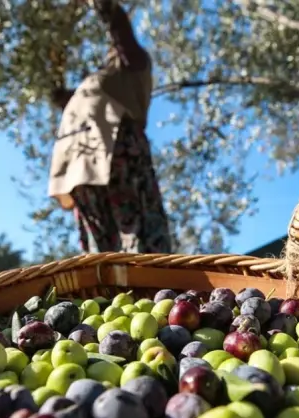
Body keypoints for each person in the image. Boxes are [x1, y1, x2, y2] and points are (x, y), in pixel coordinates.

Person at [48, 0, 172, 254]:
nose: (110, 53)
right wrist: (54, 47)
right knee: (99, 246)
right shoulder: (91, 84)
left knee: (137, 232)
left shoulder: (133, 65)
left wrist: (101, 5)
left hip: (118, 153)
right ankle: (106, 287)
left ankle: (149, 284)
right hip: (80, 169)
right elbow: (57, 94)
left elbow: (120, 31)